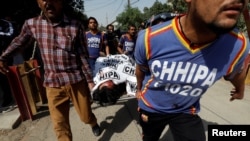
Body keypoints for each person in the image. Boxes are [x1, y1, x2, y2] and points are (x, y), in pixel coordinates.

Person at [134, 0, 250, 141]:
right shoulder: (149, 38)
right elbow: (141, 69)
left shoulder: (238, 45)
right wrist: (139, 89)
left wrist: (240, 89)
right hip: (152, 107)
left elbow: (236, 72)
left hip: (185, 109)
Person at [0, 0, 101, 140]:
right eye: (43, 0)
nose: (48, 3)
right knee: (60, 127)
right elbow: (19, 42)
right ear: (38, 3)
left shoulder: (75, 26)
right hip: (52, 83)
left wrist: (90, 82)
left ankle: (93, 122)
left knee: (85, 116)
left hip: (75, 81)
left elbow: (83, 56)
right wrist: (3, 57)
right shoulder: (32, 24)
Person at [0, 16, 16, 109]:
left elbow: (11, 34)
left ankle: (10, 97)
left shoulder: (6, 23)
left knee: (6, 76)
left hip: (5, 54)